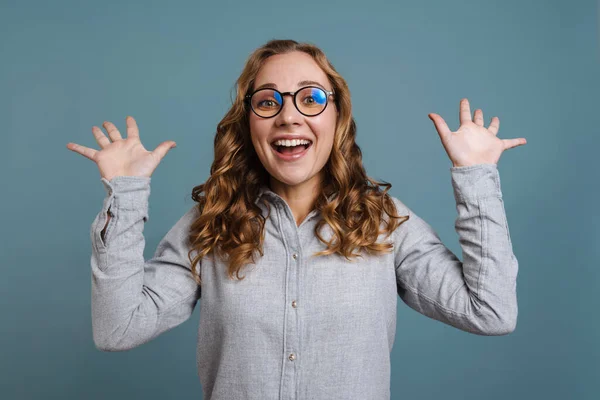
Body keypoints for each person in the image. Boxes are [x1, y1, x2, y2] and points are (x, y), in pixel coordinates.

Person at [66, 39, 527, 400]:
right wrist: (125, 195)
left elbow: (490, 312)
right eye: (268, 101)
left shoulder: (385, 223)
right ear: (249, 121)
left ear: (337, 116)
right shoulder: (210, 223)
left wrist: (476, 176)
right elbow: (118, 328)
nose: (289, 116)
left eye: (311, 98)